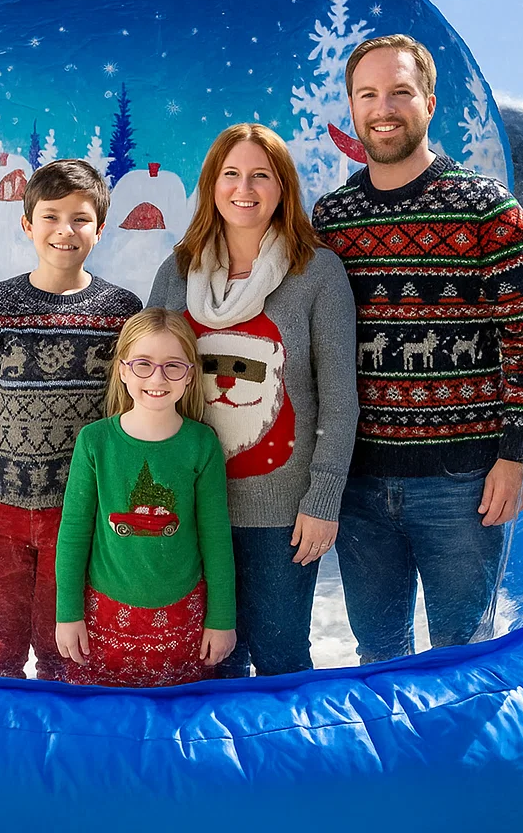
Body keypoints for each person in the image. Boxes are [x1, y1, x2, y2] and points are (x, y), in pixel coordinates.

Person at [311, 33, 523, 663]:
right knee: (379, 655)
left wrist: (518, 455)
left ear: (428, 99)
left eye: (399, 91)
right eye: (368, 94)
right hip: (361, 482)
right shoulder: (331, 221)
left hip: (462, 482)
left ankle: (464, 765)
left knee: (463, 653)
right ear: (351, 108)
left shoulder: (488, 211)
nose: (383, 107)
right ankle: (393, 765)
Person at [148, 123, 358, 677]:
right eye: (231, 174)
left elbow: (339, 400)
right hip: (190, 503)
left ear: (283, 187)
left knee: (280, 656)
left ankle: (289, 764)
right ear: (212, 185)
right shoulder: (176, 272)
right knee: (207, 659)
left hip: (280, 510)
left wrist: (322, 500)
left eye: (261, 175)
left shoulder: (317, 272)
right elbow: (144, 389)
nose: (245, 188)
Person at [0, 159, 142, 679]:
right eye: (50, 217)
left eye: (80, 218)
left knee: (69, 653)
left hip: (79, 515)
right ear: (28, 224)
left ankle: (63, 755)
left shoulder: (121, 311)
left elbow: (129, 417)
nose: (64, 230)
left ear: (99, 229)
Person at [53, 308, 235, 687]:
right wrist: (67, 614)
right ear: (122, 370)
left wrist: (222, 619)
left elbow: (216, 540)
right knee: (106, 727)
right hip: (103, 619)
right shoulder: (95, 442)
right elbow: (73, 536)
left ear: (189, 374)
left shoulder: (202, 444)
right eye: (143, 364)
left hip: (183, 619)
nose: (157, 377)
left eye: (173, 366)